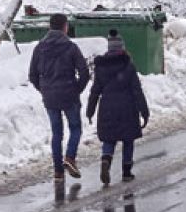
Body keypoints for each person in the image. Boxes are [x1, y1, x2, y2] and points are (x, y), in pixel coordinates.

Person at [28, 13, 90, 180]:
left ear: (49, 27)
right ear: (65, 27)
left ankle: (58, 171)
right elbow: (85, 72)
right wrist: (77, 89)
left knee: (57, 133)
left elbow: (32, 74)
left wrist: (44, 89)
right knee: (75, 128)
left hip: (50, 97)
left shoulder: (39, 48)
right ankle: (69, 157)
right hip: (69, 93)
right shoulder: (70, 47)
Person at [86, 30, 150, 185]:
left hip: (107, 107)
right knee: (128, 140)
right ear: (121, 47)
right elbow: (137, 90)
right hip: (127, 107)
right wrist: (144, 111)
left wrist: (90, 110)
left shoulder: (101, 67)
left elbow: (95, 90)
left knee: (109, 139)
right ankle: (127, 172)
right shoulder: (128, 65)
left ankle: (106, 159)